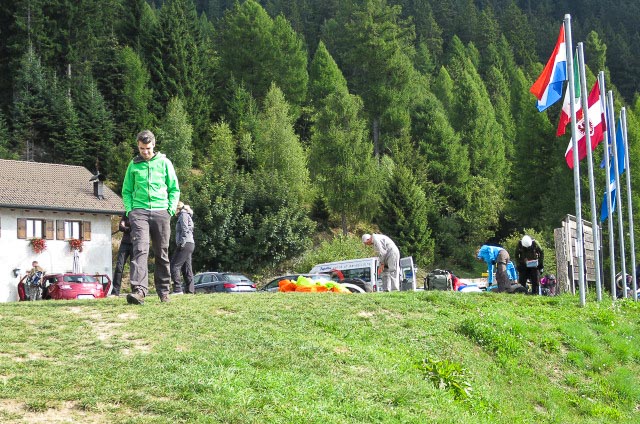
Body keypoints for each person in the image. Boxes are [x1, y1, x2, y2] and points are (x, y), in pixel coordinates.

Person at [122, 130, 180, 305]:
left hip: (161, 211)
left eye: (148, 148)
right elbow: (126, 190)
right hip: (139, 212)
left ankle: (164, 292)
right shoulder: (133, 165)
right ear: (138, 146)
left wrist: (170, 209)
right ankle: (139, 291)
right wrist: (130, 211)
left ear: (153, 145)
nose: (145, 152)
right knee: (140, 249)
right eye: (142, 148)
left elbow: (174, 189)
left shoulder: (164, 163)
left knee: (161, 252)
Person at [170, 202, 195, 294]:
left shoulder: (183, 215)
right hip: (190, 243)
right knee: (187, 268)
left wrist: (182, 243)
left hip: (185, 243)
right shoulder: (187, 215)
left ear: (177, 208)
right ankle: (190, 290)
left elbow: (185, 229)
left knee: (174, 266)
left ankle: (177, 289)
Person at [111, 214, 133, 297]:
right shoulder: (126, 213)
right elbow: (120, 227)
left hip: (135, 244)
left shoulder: (139, 213)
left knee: (134, 268)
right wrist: (129, 228)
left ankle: (135, 291)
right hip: (124, 243)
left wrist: (126, 228)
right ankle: (115, 292)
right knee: (119, 267)